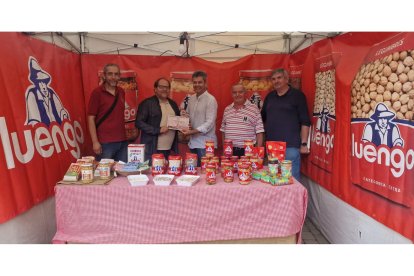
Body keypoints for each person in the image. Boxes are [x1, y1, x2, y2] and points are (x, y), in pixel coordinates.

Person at [261, 68, 311, 181]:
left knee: (291, 181)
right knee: (273, 180)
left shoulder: (298, 96)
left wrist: (303, 144)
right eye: (273, 79)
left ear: (286, 79)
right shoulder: (270, 97)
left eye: (279, 78)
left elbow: (305, 121)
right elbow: (261, 119)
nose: (276, 81)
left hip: (290, 147)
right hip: (272, 147)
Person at [87, 63, 128, 162]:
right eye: (110, 74)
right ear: (104, 75)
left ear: (119, 76)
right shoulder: (97, 93)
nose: (113, 77)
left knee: (122, 172)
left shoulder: (121, 92)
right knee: (105, 174)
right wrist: (95, 142)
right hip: (105, 143)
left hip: (122, 141)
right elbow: (91, 118)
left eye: (116, 74)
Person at [135, 78, 180, 163]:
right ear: (155, 89)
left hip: (169, 148)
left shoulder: (173, 104)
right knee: (154, 173)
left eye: (167, 87)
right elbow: (139, 122)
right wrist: (158, 130)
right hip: (153, 148)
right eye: (161, 87)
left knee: (166, 174)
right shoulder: (147, 103)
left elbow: (177, 121)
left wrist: (183, 118)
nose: (164, 89)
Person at [180, 71, 218, 166]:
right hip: (192, 142)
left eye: (200, 82)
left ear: (205, 83)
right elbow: (187, 117)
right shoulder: (191, 99)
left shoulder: (211, 100)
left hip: (205, 145)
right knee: (193, 171)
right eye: (195, 82)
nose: (197, 85)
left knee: (206, 172)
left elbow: (209, 123)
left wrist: (191, 132)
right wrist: (183, 115)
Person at [220, 84, 264, 157]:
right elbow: (223, 131)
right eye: (234, 92)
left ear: (245, 93)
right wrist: (224, 149)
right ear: (231, 94)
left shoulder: (254, 109)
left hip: (248, 151)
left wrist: (257, 152)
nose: (237, 95)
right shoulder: (227, 109)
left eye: (240, 92)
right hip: (229, 151)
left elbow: (260, 132)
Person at [25, 57, 69, 126]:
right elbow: (34, 119)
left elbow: (61, 111)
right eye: (40, 82)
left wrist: (64, 116)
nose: (43, 86)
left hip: (58, 131)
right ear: (36, 83)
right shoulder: (32, 94)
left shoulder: (51, 92)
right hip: (44, 133)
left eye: (44, 82)